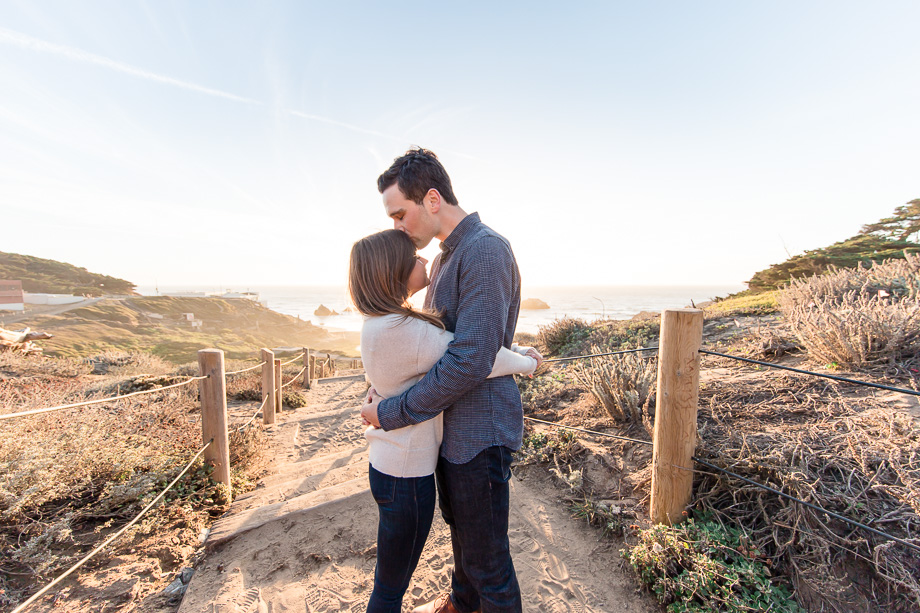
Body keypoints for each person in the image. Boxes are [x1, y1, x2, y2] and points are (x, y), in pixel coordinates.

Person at [361, 148, 540, 613]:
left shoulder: (484, 249)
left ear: (433, 199)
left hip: (479, 433)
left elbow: (470, 357)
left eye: (400, 213)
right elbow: (435, 345)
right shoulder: (444, 259)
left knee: (489, 563)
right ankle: (462, 604)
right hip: (452, 431)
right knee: (464, 540)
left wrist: (391, 412)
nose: (398, 227)